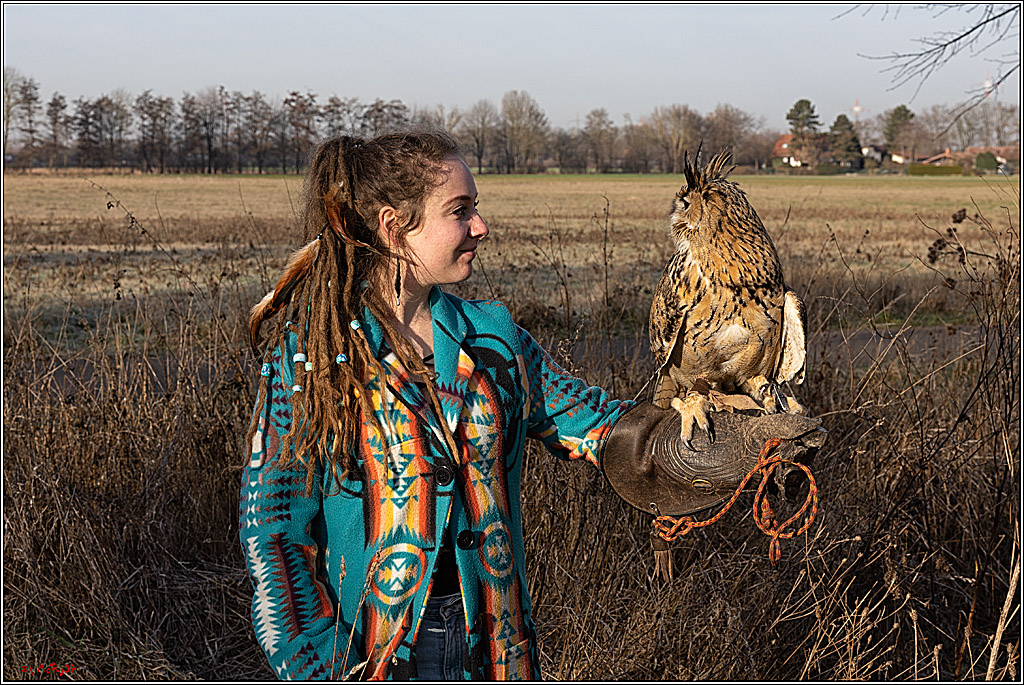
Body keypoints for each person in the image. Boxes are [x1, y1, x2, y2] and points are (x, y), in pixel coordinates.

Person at [238, 129, 822, 681]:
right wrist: (320, 664)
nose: (481, 225)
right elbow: (273, 526)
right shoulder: (315, 355)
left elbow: (598, 426)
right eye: (460, 210)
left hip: (497, 649)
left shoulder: (494, 340)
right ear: (395, 228)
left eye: (476, 207)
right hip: (371, 653)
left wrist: (718, 445)